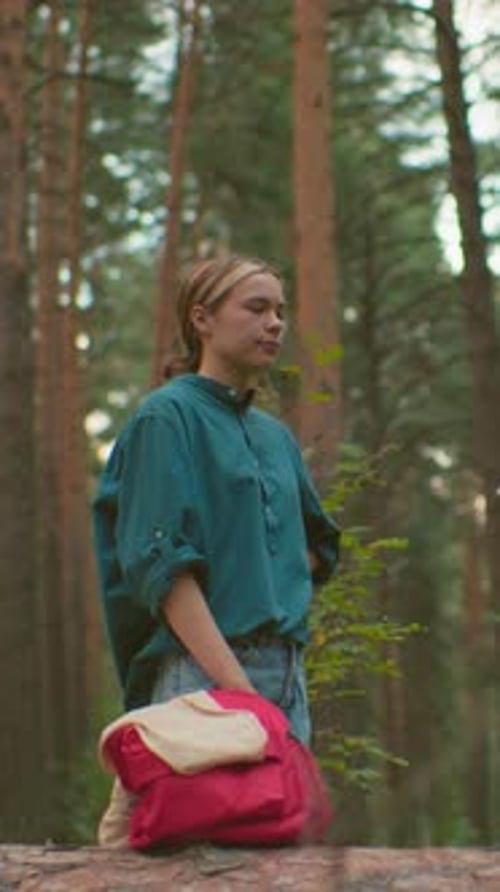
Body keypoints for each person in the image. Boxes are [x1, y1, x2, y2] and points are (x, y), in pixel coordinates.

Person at [92, 255, 340, 745]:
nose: (273, 324)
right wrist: (239, 690)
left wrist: (263, 584)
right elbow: (162, 570)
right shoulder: (167, 419)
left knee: (286, 825)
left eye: (280, 311)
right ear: (201, 319)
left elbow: (316, 547)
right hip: (201, 676)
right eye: (256, 308)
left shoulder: (273, 436)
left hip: (287, 672)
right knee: (208, 824)